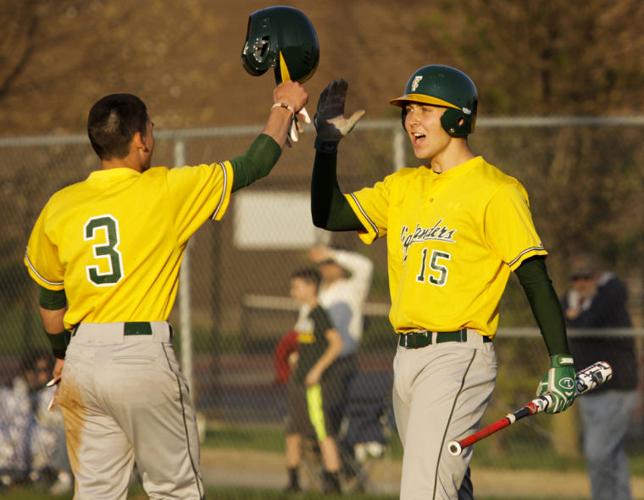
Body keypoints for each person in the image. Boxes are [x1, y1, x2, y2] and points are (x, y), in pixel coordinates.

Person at [24, 82, 308, 499]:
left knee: (96, 493)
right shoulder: (167, 188)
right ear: (140, 140)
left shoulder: (61, 205)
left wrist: (63, 355)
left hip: (83, 359)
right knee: (175, 489)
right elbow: (255, 163)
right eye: (151, 130)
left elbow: (51, 301)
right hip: (140, 355)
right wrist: (284, 106)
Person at [309, 67, 576, 499]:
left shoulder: (496, 190)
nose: (413, 119)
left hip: (457, 356)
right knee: (446, 486)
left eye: (426, 109)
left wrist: (560, 359)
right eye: (409, 110)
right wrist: (325, 148)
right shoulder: (402, 186)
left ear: (458, 118)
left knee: (424, 491)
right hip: (406, 360)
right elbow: (330, 214)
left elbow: (535, 279)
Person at [562, 254, 638, 500]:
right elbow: (562, 318)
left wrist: (577, 314)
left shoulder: (611, 295)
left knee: (597, 452)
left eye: (587, 277)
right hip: (589, 388)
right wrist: (575, 312)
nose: (581, 283)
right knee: (612, 453)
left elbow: (587, 323)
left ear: (597, 277)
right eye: (576, 278)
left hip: (616, 388)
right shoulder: (573, 299)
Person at [284, 268, 344, 494]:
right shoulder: (305, 314)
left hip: (313, 385)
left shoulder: (319, 313)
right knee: (293, 431)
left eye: (296, 287)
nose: (293, 292)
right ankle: (293, 481)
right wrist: (297, 356)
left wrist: (317, 370)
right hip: (298, 381)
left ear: (311, 287)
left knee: (322, 430)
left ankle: (333, 479)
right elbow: (309, 343)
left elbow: (336, 344)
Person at [307, 245, 373, 430]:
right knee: (311, 413)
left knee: (332, 411)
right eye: (323, 263)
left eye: (330, 263)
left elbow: (365, 266)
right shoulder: (318, 291)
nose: (325, 267)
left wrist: (332, 253)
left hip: (340, 360)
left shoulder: (352, 288)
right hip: (315, 358)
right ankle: (318, 452)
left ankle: (339, 453)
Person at [0, 351, 71, 495]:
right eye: (36, 370)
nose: (41, 375)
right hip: (18, 447)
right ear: (26, 371)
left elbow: (59, 419)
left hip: (48, 442)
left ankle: (58, 477)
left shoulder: (53, 392)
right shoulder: (11, 392)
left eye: (45, 370)